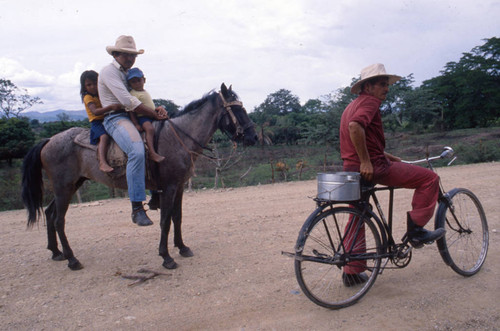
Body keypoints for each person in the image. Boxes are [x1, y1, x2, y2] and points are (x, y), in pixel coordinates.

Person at [339, 63, 445, 286]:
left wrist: (384, 154)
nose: (386, 89)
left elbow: (360, 135)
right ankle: (416, 231)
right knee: (429, 178)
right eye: (381, 84)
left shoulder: (353, 104)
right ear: (367, 86)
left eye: (387, 85)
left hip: (351, 167)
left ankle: (352, 271)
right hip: (372, 167)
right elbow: (355, 128)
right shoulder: (370, 102)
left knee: (357, 214)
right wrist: (369, 161)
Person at [98, 35, 168, 226]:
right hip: (116, 118)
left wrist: (157, 109)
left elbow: (140, 98)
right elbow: (128, 101)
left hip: (133, 114)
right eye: (127, 55)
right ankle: (137, 207)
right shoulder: (109, 72)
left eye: (133, 56)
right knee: (137, 151)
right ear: (117, 54)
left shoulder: (128, 73)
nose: (130, 59)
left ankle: (156, 193)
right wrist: (153, 115)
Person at [80, 70, 122, 173]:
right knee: (104, 137)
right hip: (97, 122)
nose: (93, 87)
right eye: (89, 85)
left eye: (95, 83)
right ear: (84, 87)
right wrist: (111, 107)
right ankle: (102, 162)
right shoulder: (88, 97)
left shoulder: (101, 94)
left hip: (107, 119)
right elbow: (95, 112)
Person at [126, 67, 165, 163]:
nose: (137, 83)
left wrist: (156, 109)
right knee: (150, 129)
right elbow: (130, 110)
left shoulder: (144, 91)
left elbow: (148, 105)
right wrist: (136, 124)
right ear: (130, 84)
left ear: (144, 80)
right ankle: (152, 152)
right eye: (133, 82)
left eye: (139, 80)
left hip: (151, 115)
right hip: (142, 118)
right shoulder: (132, 94)